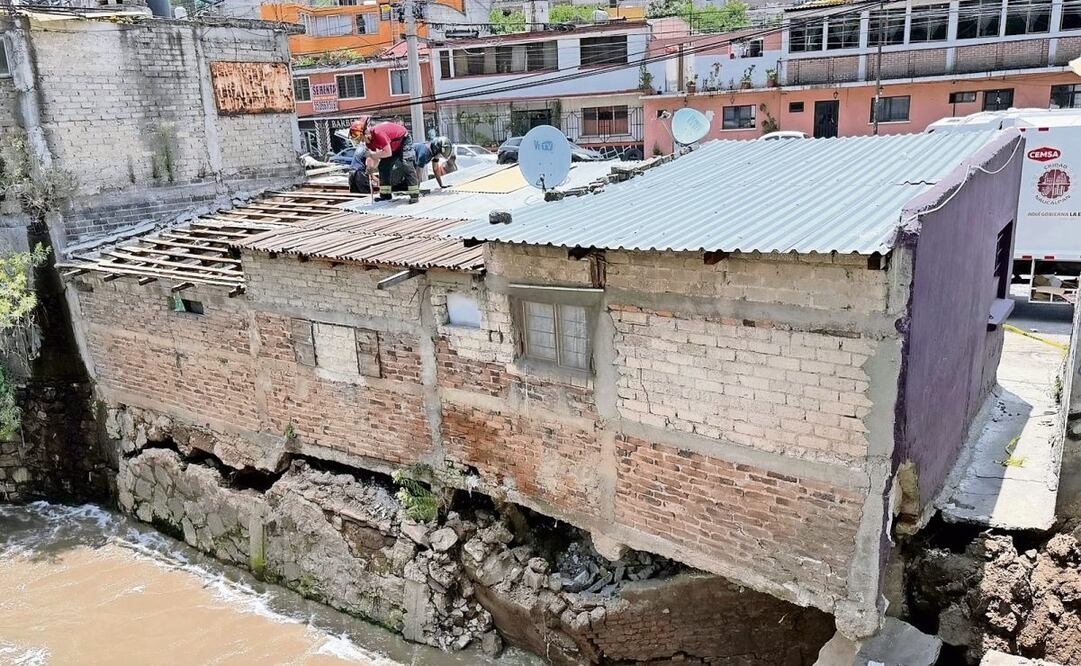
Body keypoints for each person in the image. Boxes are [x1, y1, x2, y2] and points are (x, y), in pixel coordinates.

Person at [348, 116, 419, 203]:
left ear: (365, 133)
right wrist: (370, 168)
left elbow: (387, 153)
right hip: (392, 146)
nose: (361, 141)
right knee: (383, 166)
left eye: (360, 138)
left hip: (403, 141)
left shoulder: (378, 133)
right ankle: (385, 195)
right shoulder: (369, 143)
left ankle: (414, 195)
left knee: (406, 164)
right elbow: (375, 158)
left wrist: (373, 155)